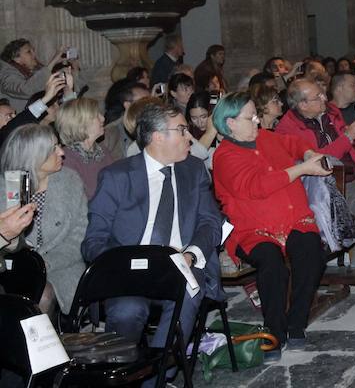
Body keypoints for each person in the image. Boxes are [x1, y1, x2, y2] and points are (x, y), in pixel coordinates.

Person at [82, 102, 222, 381]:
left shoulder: (193, 170)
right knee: (127, 310)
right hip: (129, 270)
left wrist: (191, 255)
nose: (189, 137)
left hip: (181, 264)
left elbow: (210, 222)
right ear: (158, 137)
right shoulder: (117, 176)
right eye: (182, 130)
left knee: (189, 293)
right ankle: (119, 376)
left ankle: (156, 378)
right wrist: (126, 266)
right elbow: (93, 241)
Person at [212, 92, 330, 359]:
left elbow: (293, 143)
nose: (257, 121)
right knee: (272, 263)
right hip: (253, 229)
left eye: (256, 115)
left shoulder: (266, 137)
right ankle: (274, 332)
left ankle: (296, 323)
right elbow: (256, 187)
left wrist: (309, 153)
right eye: (250, 117)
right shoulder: (224, 156)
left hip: (293, 221)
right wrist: (302, 169)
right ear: (230, 123)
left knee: (311, 250)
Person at [275, 79, 355, 277]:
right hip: (318, 189)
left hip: (349, 178)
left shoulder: (330, 114)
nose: (324, 98)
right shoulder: (287, 129)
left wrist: (351, 134)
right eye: (317, 97)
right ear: (302, 104)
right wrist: (347, 137)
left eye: (322, 93)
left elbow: (345, 144)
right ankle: (333, 255)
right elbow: (317, 161)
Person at [2, 124, 87, 315]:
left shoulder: (70, 181)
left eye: (59, 146)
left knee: (43, 294)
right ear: (33, 155)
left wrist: (46, 263)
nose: (62, 152)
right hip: (11, 266)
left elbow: (78, 236)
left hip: (60, 264)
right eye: (53, 148)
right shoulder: (8, 186)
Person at [56, 97, 116, 200]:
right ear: (80, 123)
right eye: (96, 116)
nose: (103, 118)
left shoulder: (101, 150)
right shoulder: (66, 160)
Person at [0, 39, 68, 111]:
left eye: (33, 51)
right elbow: (26, 90)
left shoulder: (32, 70)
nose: (34, 55)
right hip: (21, 117)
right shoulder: (6, 74)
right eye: (29, 52)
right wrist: (53, 62)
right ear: (17, 59)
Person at [103, 80, 151, 161]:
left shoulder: (156, 125)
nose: (150, 105)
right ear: (128, 105)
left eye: (150, 101)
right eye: (143, 102)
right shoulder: (111, 133)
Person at [186, 92, 219, 170]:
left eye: (204, 117)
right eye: (194, 118)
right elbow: (190, 161)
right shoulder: (187, 132)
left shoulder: (221, 129)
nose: (199, 122)